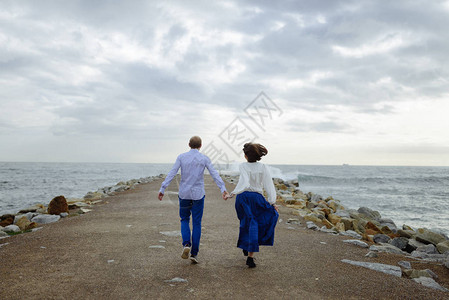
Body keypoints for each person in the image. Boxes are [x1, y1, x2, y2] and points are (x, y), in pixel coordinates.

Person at [158, 136, 229, 264]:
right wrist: (222, 188)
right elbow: (214, 173)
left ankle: (186, 243)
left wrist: (163, 188)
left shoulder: (181, 157)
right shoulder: (204, 158)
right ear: (200, 146)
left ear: (189, 144)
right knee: (197, 223)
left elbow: (172, 173)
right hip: (198, 195)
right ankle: (194, 254)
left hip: (184, 194)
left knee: (184, 219)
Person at [226, 142, 278, 268]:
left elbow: (243, 181)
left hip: (243, 198)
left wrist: (232, 194)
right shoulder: (263, 167)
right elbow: (268, 184)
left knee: (246, 223)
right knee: (256, 224)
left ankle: (247, 246)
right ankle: (250, 255)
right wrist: (272, 202)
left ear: (245, 156)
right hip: (256, 198)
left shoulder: (243, 166)